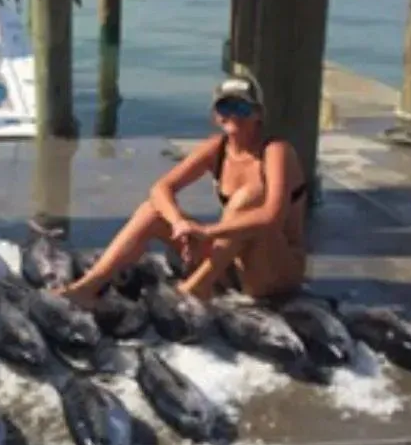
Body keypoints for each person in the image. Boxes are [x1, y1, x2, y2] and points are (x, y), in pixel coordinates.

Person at [63, 72, 307, 304]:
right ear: (215, 116)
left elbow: (272, 217)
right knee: (151, 210)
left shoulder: (276, 151)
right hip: (228, 263)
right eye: (225, 108)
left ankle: (196, 288)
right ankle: (86, 288)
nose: (233, 115)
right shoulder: (216, 148)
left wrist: (207, 231)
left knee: (248, 198)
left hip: (271, 272)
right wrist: (179, 222)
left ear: (258, 115)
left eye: (242, 108)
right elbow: (161, 188)